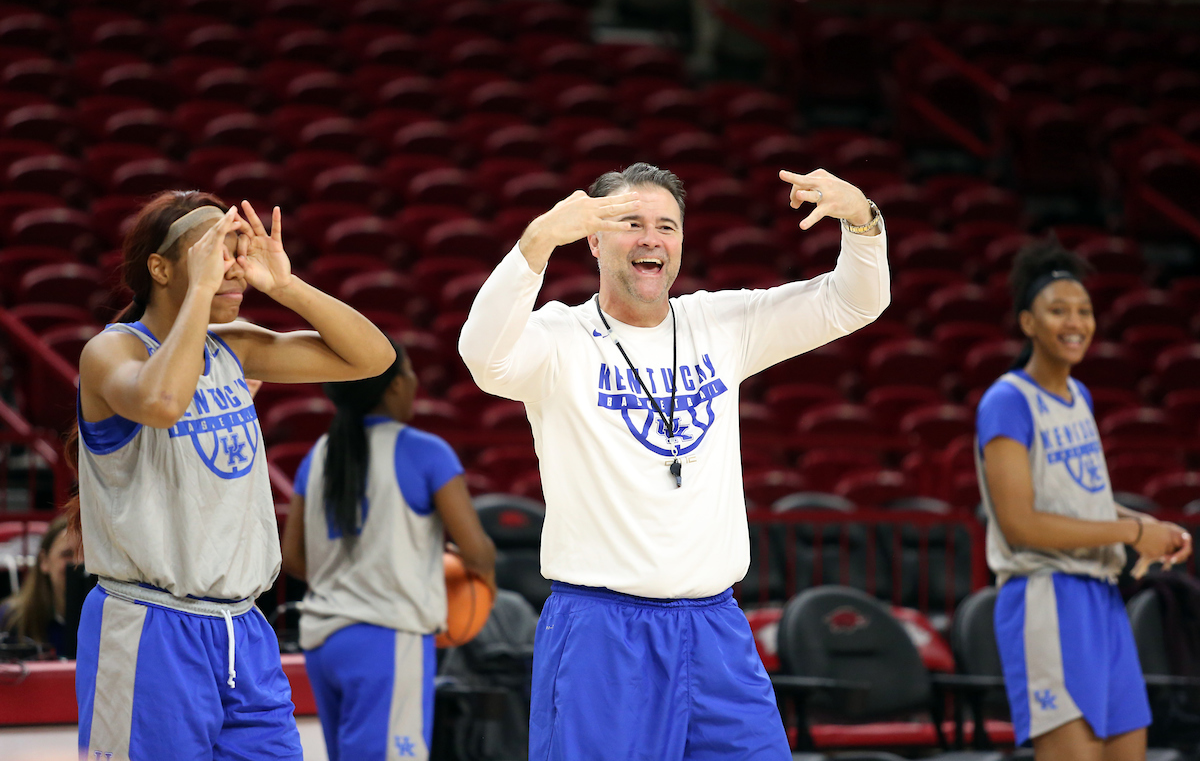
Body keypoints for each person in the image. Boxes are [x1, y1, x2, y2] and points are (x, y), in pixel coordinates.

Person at [458, 163, 888, 760]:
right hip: (602, 631)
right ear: (593, 239)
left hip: (716, 627)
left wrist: (863, 219)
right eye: (629, 222)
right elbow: (482, 357)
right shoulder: (560, 337)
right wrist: (536, 243)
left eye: (666, 225)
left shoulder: (720, 324)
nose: (650, 237)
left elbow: (852, 304)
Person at [71, 191, 395, 761]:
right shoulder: (111, 352)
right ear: (161, 267)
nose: (233, 269)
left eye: (238, 253)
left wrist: (286, 286)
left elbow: (373, 358)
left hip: (241, 628)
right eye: (217, 253)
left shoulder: (234, 348)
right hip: (151, 626)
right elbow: (164, 401)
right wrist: (201, 288)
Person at [975, 240, 1193, 761]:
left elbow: (1080, 502)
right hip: (1045, 599)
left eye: (1083, 311)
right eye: (1058, 311)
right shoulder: (1007, 400)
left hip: (1101, 599)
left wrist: (1144, 524)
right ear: (1028, 323)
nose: (1075, 322)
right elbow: (1021, 524)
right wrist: (1132, 532)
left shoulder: (1081, 396)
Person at [279, 341, 496, 761]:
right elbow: (477, 552)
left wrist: (348, 579)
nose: (415, 383)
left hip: (324, 642)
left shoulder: (318, 454)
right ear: (395, 386)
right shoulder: (425, 451)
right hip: (386, 637)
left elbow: (293, 558)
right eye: (410, 373)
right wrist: (477, 584)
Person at [0, 516, 80, 658]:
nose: (78, 563)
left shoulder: (109, 618)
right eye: (67, 554)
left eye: (86, 555)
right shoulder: (10, 619)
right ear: (44, 561)